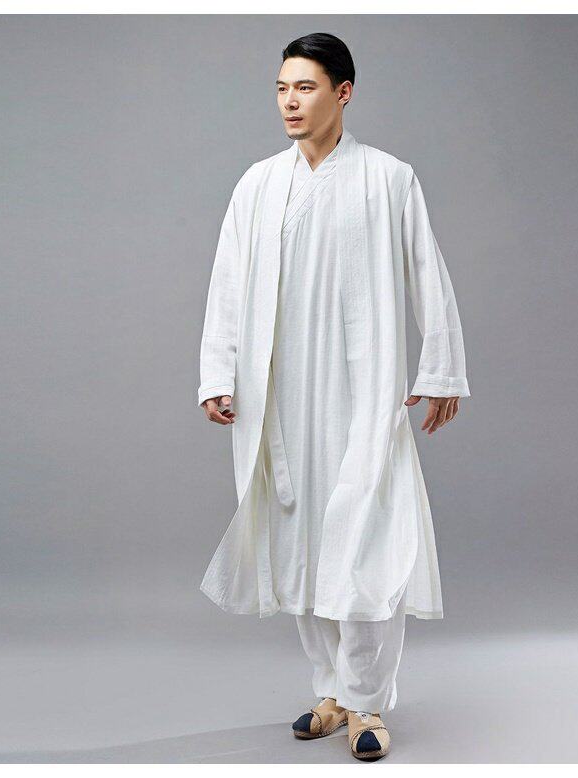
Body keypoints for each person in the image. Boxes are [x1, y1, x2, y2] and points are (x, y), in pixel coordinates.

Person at [197, 32, 470, 761]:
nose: (289, 101)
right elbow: (228, 283)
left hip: (363, 391)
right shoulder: (259, 185)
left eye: (306, 87)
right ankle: (333, 691)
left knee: (366, 539)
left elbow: (427, 272)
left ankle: (369, 701)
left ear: (342, 93)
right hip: (280, 394)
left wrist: (441, 370)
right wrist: (218, 373)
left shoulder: (388, 178)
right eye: (281, 88)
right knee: (300, 538)